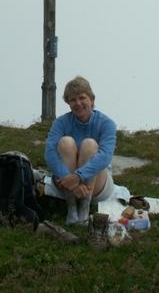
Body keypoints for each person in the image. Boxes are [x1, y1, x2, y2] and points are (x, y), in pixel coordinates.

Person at [44, 76, 116, 225]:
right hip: (67, 185)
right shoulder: (61, 122)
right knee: (65, 142)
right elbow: (49, 152)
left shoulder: (107, 123)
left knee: (89, 145)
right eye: (72, 100)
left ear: (91, 99)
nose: (78, 103)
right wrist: (70, 181)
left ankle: (84, 208)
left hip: (97, 185)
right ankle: (71, 208)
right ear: (68, 103)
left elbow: (105, 156)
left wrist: (77, 176)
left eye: (82, 98)